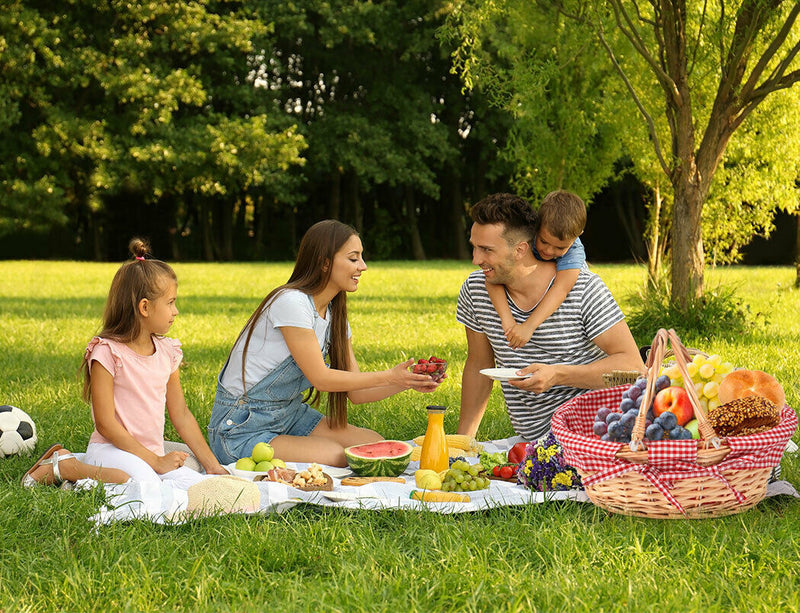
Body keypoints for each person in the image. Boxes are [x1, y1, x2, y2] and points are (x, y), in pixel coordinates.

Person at [208, 219, 441, 468]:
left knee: (373, 442)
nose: (363, 266)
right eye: (353, 258)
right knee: (335, 455)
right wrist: (388, 376)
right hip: (242, 427)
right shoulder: (291, 302)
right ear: (325, 262)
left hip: (289, 415)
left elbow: (357, 393)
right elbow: (321, 378)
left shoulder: (334, 316)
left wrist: (407, 381)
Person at [456, 193, 644, 441]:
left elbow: (634, 369)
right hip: (533, 444)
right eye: (474, 247)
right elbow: (479, 364)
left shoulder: (583, 289)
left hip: (598, 439)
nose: (475, 259)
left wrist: (558, 374)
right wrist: (461, 443)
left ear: (521, 249)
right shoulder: (476, 290)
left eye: (486, 250)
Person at [486, 190, 587, 349]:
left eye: (560, 247)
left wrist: (529, 326)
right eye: (543, 241)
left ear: (578, 236)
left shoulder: (574, 252)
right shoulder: (525, 235)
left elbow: (561, 289)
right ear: (536, 226)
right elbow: (493, 279)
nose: (549, 251)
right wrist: (507, 320)